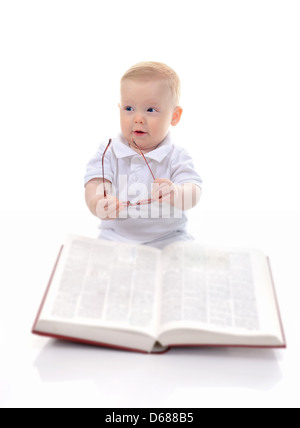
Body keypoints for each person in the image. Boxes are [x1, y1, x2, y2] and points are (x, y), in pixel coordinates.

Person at [84, 61, 202, 249]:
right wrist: (96, 202)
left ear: (174, 116)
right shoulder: (109, 151)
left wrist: (177, 192)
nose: (138, 118)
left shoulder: (177, 156)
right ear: (119, 108)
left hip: (170, 238)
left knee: (185, 263)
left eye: (150, 110)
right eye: (129, 108)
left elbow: (194, 192)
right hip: (115, 236)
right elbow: (94, 183)